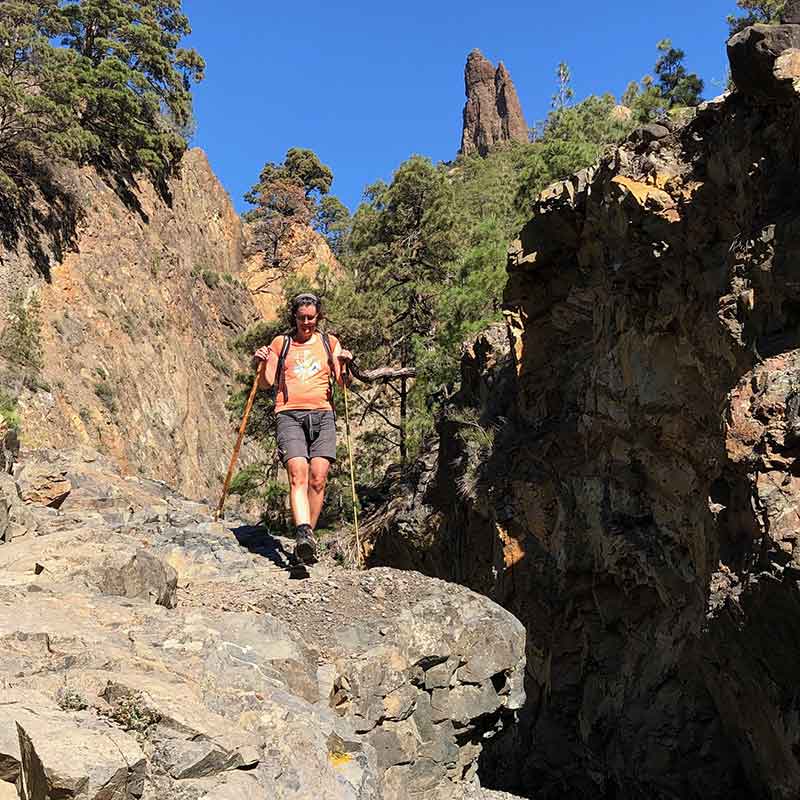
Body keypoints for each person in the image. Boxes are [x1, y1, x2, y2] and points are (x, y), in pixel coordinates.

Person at [254, 293, 352, 563]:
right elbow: (266, 383)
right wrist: (262, 362)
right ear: (294, 318)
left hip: (323, 415)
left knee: (318, 478)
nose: (306, 322)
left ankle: (306, 541)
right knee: (298, 473)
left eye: (311, 317)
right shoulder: (281, 343)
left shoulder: (328, 342)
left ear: (318, 316)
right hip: (289, 415)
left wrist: (345, 362)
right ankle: (303, 534)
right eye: (301, 318)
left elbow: (343, 383)